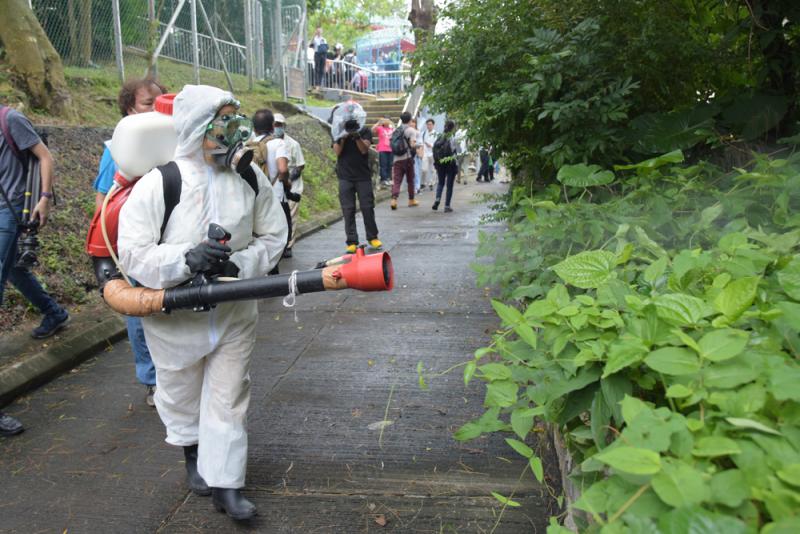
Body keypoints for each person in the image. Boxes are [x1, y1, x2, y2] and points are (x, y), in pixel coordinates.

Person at [118, 85, 288, 521]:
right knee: (179, 391)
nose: (233, 132)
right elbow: (132, 251)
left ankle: (227, 484)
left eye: (237, 121)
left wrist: (240, 264)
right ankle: (192, 451)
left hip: (233, 309)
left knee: (230, 395)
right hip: (175, 318)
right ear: (196, 128)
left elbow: (274, 235)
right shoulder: (163, 182)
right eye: (222, 123)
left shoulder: (251, 178)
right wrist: (185, 259)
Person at [93, 77, 165, 407]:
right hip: (131, 242)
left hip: (166, 237)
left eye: (161, 102)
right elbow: (103, 203)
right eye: (148, 103)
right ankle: (151, 379)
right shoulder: (117, 149)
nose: (156, 109)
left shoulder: (170, 142)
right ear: (129, 107)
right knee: (138, 309)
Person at [0, 104, 69, 340]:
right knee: (12, 269)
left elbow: (44, 156)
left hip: (12, 207)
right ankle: (54, 312)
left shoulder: (10, 119)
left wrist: (45, 198)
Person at [249, 109, 290, 273]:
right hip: (276, 195)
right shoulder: (278, 143)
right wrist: (285, 181)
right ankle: (273, 273)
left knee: (258, 235)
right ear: (272, 126)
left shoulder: (249, 144)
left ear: (254, 127)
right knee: (278, 235)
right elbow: (282, 168)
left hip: (255, 198)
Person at [333, 116, 381, 253]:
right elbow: (337, 151)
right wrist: (343, 136)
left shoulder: (364, 130)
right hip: (345, 176)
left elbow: (364, 150)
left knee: (367, 207)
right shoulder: (338, 131)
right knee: (348, 209)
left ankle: (373, 237)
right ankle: (352, 241)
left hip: (363, 176)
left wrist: (356, 136)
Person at [272, 113, 304, 258]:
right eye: (275, 125)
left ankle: (288, 246)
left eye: (279, 125)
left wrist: (288, 180)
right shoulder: (269, 143)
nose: (277, 128)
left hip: (292, 186)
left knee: (291, 217)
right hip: (275, 187)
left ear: (284, 127)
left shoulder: (293, 144)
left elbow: (300, 165)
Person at [390, 112, 417, 210]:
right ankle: (411, 200)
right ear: (410, 119)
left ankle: (393, 200)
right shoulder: (411, 130)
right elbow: (413, 145)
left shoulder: (397, 130)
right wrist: (416, 147)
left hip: (397, 159)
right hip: (407, 158)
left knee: (397, 180)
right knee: (410, 180)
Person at [432, 120, 459, 213]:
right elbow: (457, 151)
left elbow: (434, 149)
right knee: (449, 185)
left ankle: (437, 199)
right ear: (453, 128)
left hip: (440, 164)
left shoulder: (439, 137)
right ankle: (447, 206)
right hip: (450, 164)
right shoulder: (453, 138)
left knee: (440, 183)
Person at [372, 116, 393, 187]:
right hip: (382, 148)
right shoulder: (380, 128)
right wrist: (379, 122)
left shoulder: (391, 128)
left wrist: (391, 123)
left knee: (389, 164)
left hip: (390, 148)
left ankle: (388, 178)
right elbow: (372, 130)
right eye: (385, 120)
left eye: (388, 120)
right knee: (383, 164)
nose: (387, 121)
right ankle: (383, 179)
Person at [421, 118, 437, 192]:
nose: (429, 126)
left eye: (430, 124)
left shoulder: (436, 134)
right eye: (427, 124)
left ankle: (431, 183)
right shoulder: (423, 133)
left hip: (433, 153)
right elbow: (421, 142)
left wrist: (430, 145)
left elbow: (437, 144)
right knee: (424, 169)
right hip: (425, 153)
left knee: (433, 170)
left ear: (433, 125)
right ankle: (423, 183)